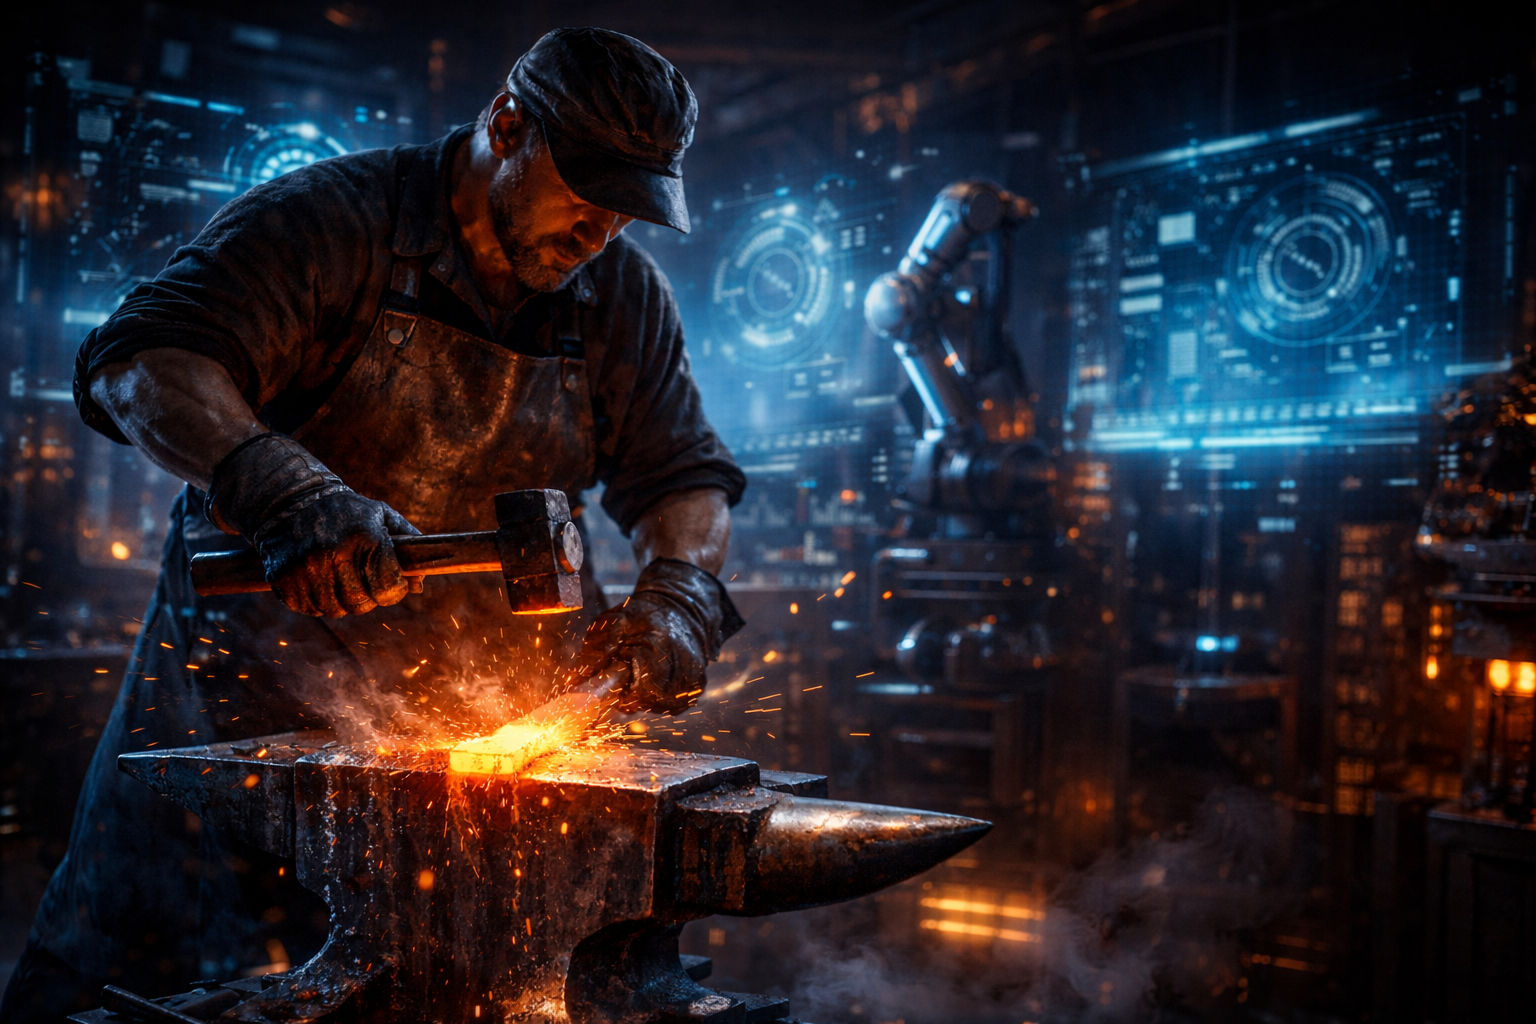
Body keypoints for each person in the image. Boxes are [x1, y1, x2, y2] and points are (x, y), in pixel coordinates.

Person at [0, 27, 744, 1022]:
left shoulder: (617, 296)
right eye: (587, 193)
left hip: (479, 763)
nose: (603, 231)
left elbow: (682, 477)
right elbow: (141, 361)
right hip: (240, 750)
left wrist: (680, 592)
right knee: (156, 993)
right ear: (507, 125)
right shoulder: (334, 223)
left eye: (630, 209)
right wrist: (281, 488)